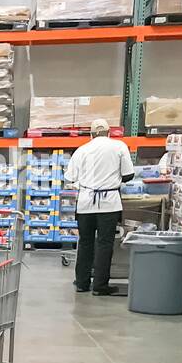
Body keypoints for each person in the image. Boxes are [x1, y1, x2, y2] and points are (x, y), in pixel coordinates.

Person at [64, 118, 134, 296]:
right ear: (109, 132)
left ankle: (82, 282)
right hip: (109, 203)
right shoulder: (119, 147)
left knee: (86, 243)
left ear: (91, 134)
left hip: (86, 202)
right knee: (105, 243)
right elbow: (128, 175)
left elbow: (70, 177)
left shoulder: (82, 150)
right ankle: (100, 285)